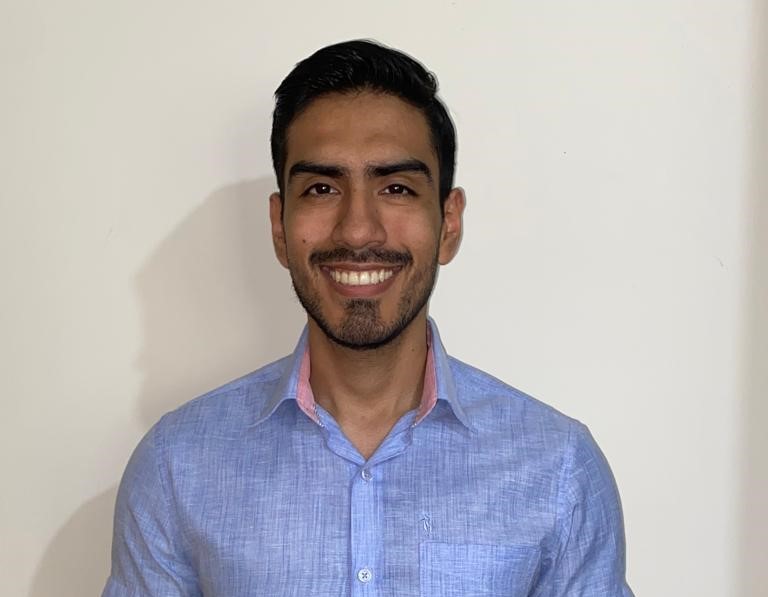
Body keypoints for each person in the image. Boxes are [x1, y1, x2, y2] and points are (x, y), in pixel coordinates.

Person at [102, 40, 633, 596]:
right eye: (322, 188)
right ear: (280, 226)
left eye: (397, 188)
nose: (358, 230)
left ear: (449, 223)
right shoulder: (176, 467)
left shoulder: (558, 468)